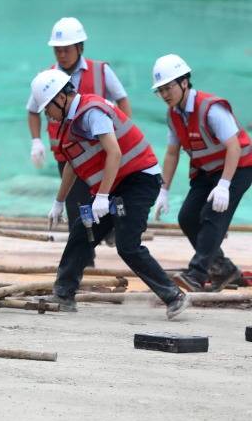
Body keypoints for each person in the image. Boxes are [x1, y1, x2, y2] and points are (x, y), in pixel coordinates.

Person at [27, 70, 189, 318]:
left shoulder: (91, 113)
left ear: (61, 98)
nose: (47, 114)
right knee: (82, 231)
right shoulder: (70, 122)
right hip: (115, 184)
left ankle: (173, 296)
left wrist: (102, 197)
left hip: (139, 180)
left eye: (47, 108)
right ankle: (63, 295)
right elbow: (73, 163)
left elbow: (114, 153)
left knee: (127, 245)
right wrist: (59, 201)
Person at [26, 18, 132, 264]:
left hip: (102, 155)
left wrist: (122, 133)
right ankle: (87, 260)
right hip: (69, 156)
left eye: (66, 49)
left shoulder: (101, 71)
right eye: (57, 50)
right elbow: (33, 110)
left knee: (111, 200)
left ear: (80, 47)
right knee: (78, 211)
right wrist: (36, 141)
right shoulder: (47, 78)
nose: (61, 54)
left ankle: (113, 233)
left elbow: (122, 100)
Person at [150, 54, 252, 291]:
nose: (165, 95)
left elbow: (234, 147)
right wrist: (163, 190)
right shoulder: (173, 115)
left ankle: (197, 274)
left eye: (168, 88)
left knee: (211, 216)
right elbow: (172, 153)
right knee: (186, 217)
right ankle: (223, 270)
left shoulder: (210, 108)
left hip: (238, 167)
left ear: (184, 82)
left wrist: (225, 185)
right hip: (206, 172)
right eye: (160, 90)